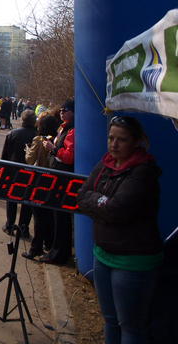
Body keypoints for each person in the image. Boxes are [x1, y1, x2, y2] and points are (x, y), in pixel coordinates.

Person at [78, 116, 162, 344]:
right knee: (110, 319)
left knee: (130, 326)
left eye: (121, 140)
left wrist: (99, 202)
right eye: (110, 138)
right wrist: (103, 202)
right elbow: (82, 196)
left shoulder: (143, 172)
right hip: (102, 255)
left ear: (136, 142)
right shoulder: (106, 164)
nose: (114, 144)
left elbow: (117, 210)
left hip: (133, 261)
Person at [39, 99, 75, 264]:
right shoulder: (63, 128)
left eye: (65, 110)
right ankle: (56, 250)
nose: (61, 112)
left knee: (61, 217)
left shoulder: (72, 130)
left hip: (63, 176)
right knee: (57, 215)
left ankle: (59, 253)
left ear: (73, 112)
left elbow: (69, 157)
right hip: (57, 173)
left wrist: (53, 149)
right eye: (60, 110)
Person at [22, 111, 62, 260]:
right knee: (49, 215)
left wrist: (27, 149)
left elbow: (29, 159)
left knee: (38, 216)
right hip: (53, 179)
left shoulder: (39, 139)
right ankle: (48, 243)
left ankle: (35, 248)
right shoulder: (57, 140)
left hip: (39, 179)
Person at [0, 110, 37, 238]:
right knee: (27, 201)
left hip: (13, 170)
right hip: (31, 172)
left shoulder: (13, 134)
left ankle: (10, 225)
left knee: (11, 199)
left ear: (22, 120)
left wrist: (3, 171)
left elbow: (5, 155)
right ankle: (23, 228)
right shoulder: (38, 136)